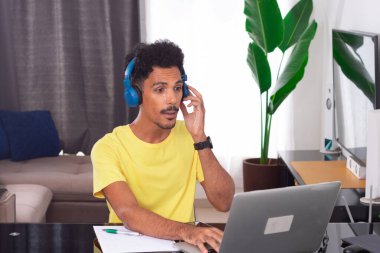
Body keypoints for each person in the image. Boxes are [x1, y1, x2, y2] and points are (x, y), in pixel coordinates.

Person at [91, 40, 235, 253]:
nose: (172, 100)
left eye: (177, 88)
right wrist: (188, 232)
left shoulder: (191, 137)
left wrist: (200, 138)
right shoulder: (108, 147)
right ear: (135, 94)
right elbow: (128, 212)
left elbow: (224, 202)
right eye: (160, 89)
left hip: (181, 248)